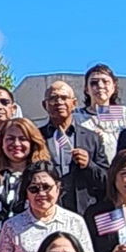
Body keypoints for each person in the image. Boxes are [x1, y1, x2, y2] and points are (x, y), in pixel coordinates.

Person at [0, 161, 98, 252]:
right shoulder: (12, 226)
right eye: (34, 189)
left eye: (46, 187)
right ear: (26, 193)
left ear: (58, 187)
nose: (41, 193)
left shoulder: (75, 222)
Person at [38, 81, 109, 215]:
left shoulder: (92, 138)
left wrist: (89, 164)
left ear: (74, 103)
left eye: (64, 98)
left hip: (84, 212)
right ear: (44, 105)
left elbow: (106, 180)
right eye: (53, 98)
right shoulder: (36, 137)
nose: (59, 102)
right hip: (47, 211)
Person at [76, 64, 126, 161]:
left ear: (113, 87)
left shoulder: (124, 113)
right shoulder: (76, 116)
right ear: (86, 89)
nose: (100, 86)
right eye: (94, 83)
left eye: (105, 82)